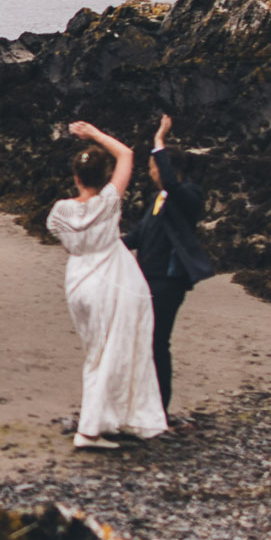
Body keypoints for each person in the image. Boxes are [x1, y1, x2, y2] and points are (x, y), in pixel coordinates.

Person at [47, 121, 167, 449]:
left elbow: (66, 238)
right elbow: (126, 154)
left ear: (75, 178)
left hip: (78, 280)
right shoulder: (108, 203)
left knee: (97, 352)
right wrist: (95, 134)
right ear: (104, 178)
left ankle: (105, 418)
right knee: (113, 351)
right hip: (111, 278)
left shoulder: (60, 211)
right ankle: (90, 429)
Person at [122, 114, 214, 421]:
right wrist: (109, 244)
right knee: (144, 341)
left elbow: (172, 183)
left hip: (169, 280)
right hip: (147, 278)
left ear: (167, 168)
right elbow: (140, 234)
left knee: (157, 342)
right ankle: (145, 402)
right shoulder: (159, 198)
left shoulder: (188, 194)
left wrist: (159, 141)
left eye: (152, 166)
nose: (149, 172)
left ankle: (159, 408)